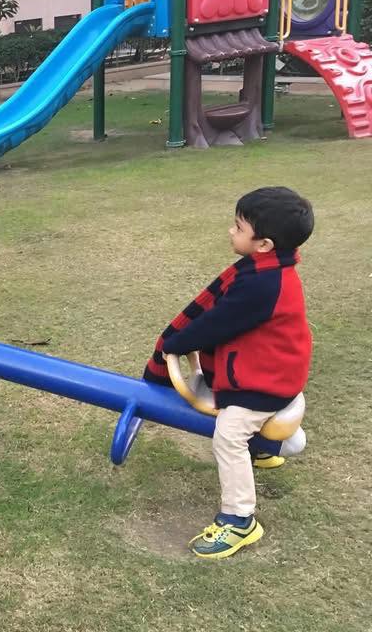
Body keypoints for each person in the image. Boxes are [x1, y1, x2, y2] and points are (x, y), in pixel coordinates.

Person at [144, 187, 314, 558]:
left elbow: (216, 323)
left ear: (264, 244)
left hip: (267, 381)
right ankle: (264, 447)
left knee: (228, 435)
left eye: (238, 227)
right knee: (233, 424)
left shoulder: (261, 284)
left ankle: (240, 520)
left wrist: (175, 344)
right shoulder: (270, 270)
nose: (230, 232)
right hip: (277, 368)